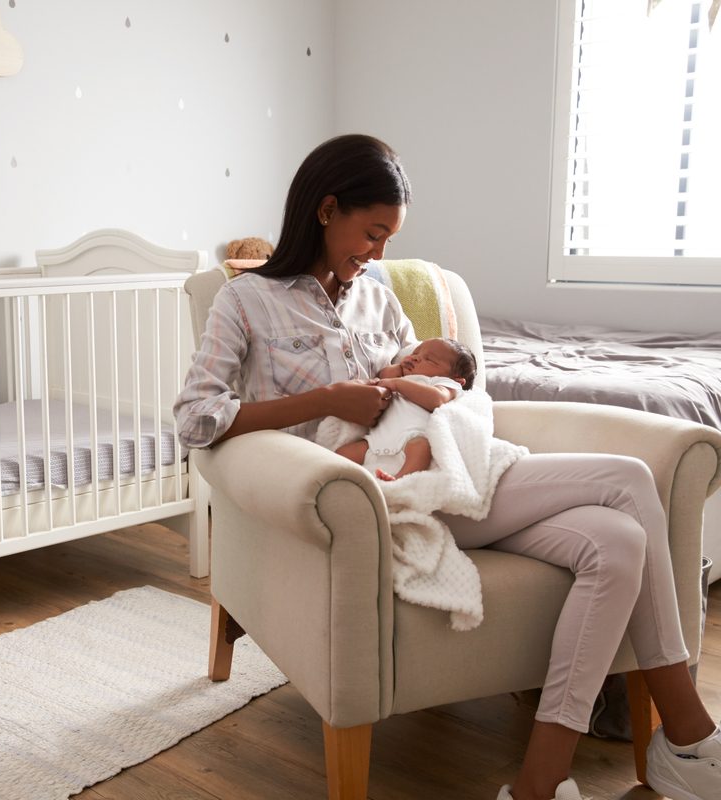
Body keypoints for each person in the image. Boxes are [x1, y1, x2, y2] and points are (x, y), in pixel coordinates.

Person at [173, 133, 720, 800]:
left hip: (455, 475)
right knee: (629, 481)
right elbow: (196, 418)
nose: (377, 256)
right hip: (379, 502)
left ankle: (539, 784)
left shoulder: (378, 298)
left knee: (620, 540)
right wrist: (323, 401)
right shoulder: (247, 301)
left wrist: (435, 396)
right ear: (326, 209)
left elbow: (442, 393)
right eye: (371, 234)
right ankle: (689, 735)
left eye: (388, 242)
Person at [318, 337, 477, 481]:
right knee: (342, 454)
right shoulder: (403, 376)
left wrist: (398, 384)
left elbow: (438, 399)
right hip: (375, 441)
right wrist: (400, 368)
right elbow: (384, 375)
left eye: (429, 359)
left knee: (422, 449)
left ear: (458, 379)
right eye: (416, 353)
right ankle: (335, 479)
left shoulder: (443, 384)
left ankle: (400, 480)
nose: (416, 358)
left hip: (412, 438)